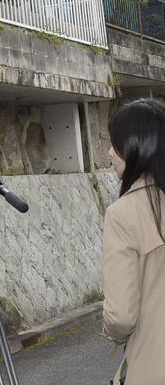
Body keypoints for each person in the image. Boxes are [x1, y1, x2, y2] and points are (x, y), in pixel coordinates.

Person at [102, 97, 165, 385]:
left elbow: (121, 317)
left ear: (134, 148)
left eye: (115, 145)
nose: (109, 153)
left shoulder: (122, 214)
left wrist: (114, 334)